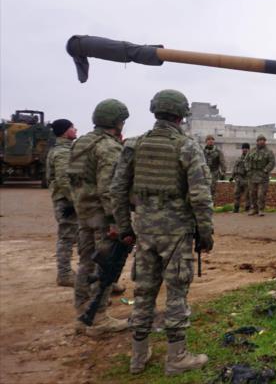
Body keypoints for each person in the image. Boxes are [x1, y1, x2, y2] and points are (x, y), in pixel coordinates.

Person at [110, 89, 213, 376]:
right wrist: (206, 233)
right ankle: (176, 358)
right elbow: (200, 196)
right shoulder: (187, 147)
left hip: (144, 232)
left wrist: (125, 227)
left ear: (155, 111)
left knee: (143, 291)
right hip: (177, 233)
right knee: (177, 293)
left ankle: (138, 357)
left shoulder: (134, 145)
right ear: (181, 115)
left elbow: (117, 189)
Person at [67, 99, 130, 335]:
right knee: (106, 266)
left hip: (84, 213)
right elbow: (109, 189)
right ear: (117, 122)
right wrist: (116, 221)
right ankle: (98, 318)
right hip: (103, 217)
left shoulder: (81, 143)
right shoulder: (109, 147)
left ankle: (83, 311)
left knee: (86, 263)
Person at [46, 118, 78, 287]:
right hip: (67, 202)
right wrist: (75, 201)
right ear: (66, 131)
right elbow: (64, 180)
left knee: (75, 236)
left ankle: (70, 272)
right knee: (66, 237)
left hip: (65, 199)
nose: (76, 129)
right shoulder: (63, 152)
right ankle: (64, 274)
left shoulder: (61, 149)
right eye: (73, 127)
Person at [246, 135, 275, 216]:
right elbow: (246, 161)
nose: (262, 141)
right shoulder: (251, 151)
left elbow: (272, 162)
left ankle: (261, 209)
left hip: (263, 176)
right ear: (257, 141)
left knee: (261, 194)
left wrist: (265, 170)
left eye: (263, 140)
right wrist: (248, 170)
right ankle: (253, 209)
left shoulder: (269, 152)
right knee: (252, 193)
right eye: (260, 140)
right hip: (252, 175)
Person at [229, 143, 252, 213]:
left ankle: (247, 209)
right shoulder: (239, 159)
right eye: (243, 148)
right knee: (236, 194)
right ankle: (236, 209)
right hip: (238, 179)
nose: (245, 149)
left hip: (247, 179)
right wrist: (232, 177)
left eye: (246, 148)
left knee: (247, 195)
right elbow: (235, 168)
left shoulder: (251, 158)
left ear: (249, 149)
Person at [202, 135, 226, 199]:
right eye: (209, 139)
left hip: (214, 172)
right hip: (204, 173)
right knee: (204, 189)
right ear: (206, 141)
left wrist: (223, 172)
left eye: (212, 139)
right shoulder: (202, 151)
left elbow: (222, 162)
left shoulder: (218, 151)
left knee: (212, 189)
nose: (210, 141)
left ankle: (212, 204)